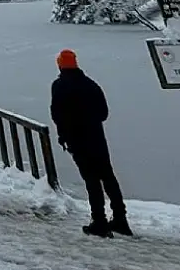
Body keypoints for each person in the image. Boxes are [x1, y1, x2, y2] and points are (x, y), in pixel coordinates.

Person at [50, 49, 131, 238]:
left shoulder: (59, 86)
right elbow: (103, 113)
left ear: (60, 65)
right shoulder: (90, 84)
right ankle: (120, 218)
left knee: (91, 180)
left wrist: (64, 135)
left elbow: (57, 114)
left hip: (77, 139)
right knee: (108, 177)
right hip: (96, 137)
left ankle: (99, 221)